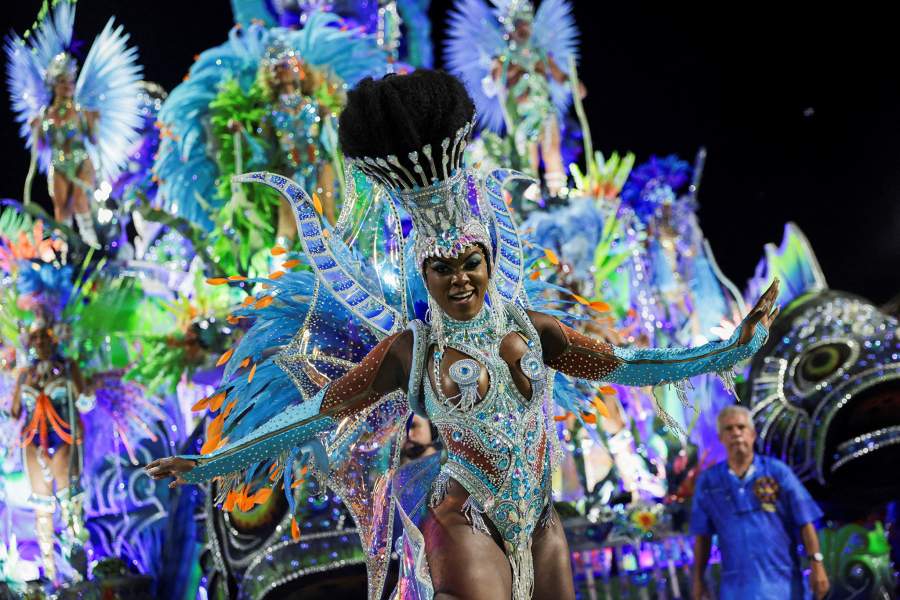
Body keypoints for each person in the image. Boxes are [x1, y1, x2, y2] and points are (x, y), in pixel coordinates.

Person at [146, 69, 779, 600]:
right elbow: (319, 411)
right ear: (424, 273)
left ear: (489, 261)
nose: (460, 279)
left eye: (470, 262)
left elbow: (632, 364)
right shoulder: (409, 349)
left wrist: (732, 348)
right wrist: (214, 462)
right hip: (463, 516)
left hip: (540, 518)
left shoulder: (535, 330)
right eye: (442, 268)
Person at [690, 405, 830, 599]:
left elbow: (805, 520)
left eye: (741, 427)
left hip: (783, 584)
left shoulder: (777, 472)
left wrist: (817, 562)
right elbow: (702, 536)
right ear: (720, 438)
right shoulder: (708, 482)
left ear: (753, 434)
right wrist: (698, 579)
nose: (736, 433)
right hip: (737, 589)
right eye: (728, 429)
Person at [11, 320, 92, 584]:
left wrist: (88, 395)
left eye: (45, 339)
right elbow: (14, 411)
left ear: (54, 339)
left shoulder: (68, 368)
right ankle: (50, 577)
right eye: (35, 340)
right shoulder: (25, 374)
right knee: (42, 509)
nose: (41, 344)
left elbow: (83, 400)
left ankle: (81, 576)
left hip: (63, 437)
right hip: (33, 441)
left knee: (70, 507)